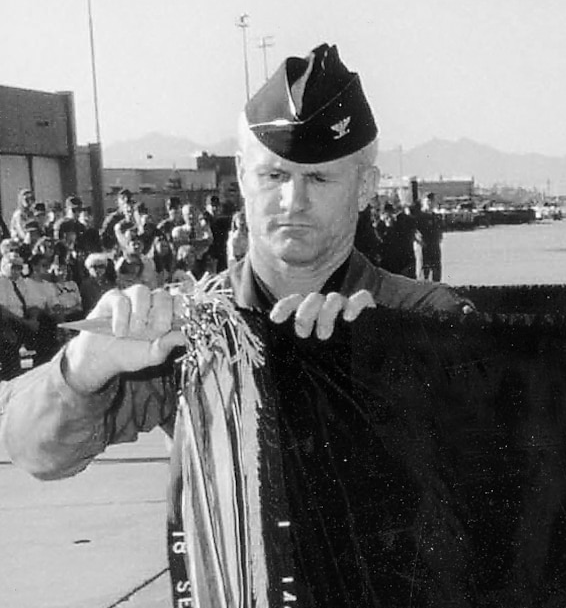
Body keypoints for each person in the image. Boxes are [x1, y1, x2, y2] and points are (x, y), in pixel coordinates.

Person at [1, 43, 471, 482]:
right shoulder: (193, 327)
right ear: (244, 178)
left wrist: (391, 359)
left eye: (321, 179)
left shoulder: (425, 318)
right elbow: (36, 453)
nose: (293, 200)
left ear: (366, 187)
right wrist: (81, 373)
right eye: (274, 175)